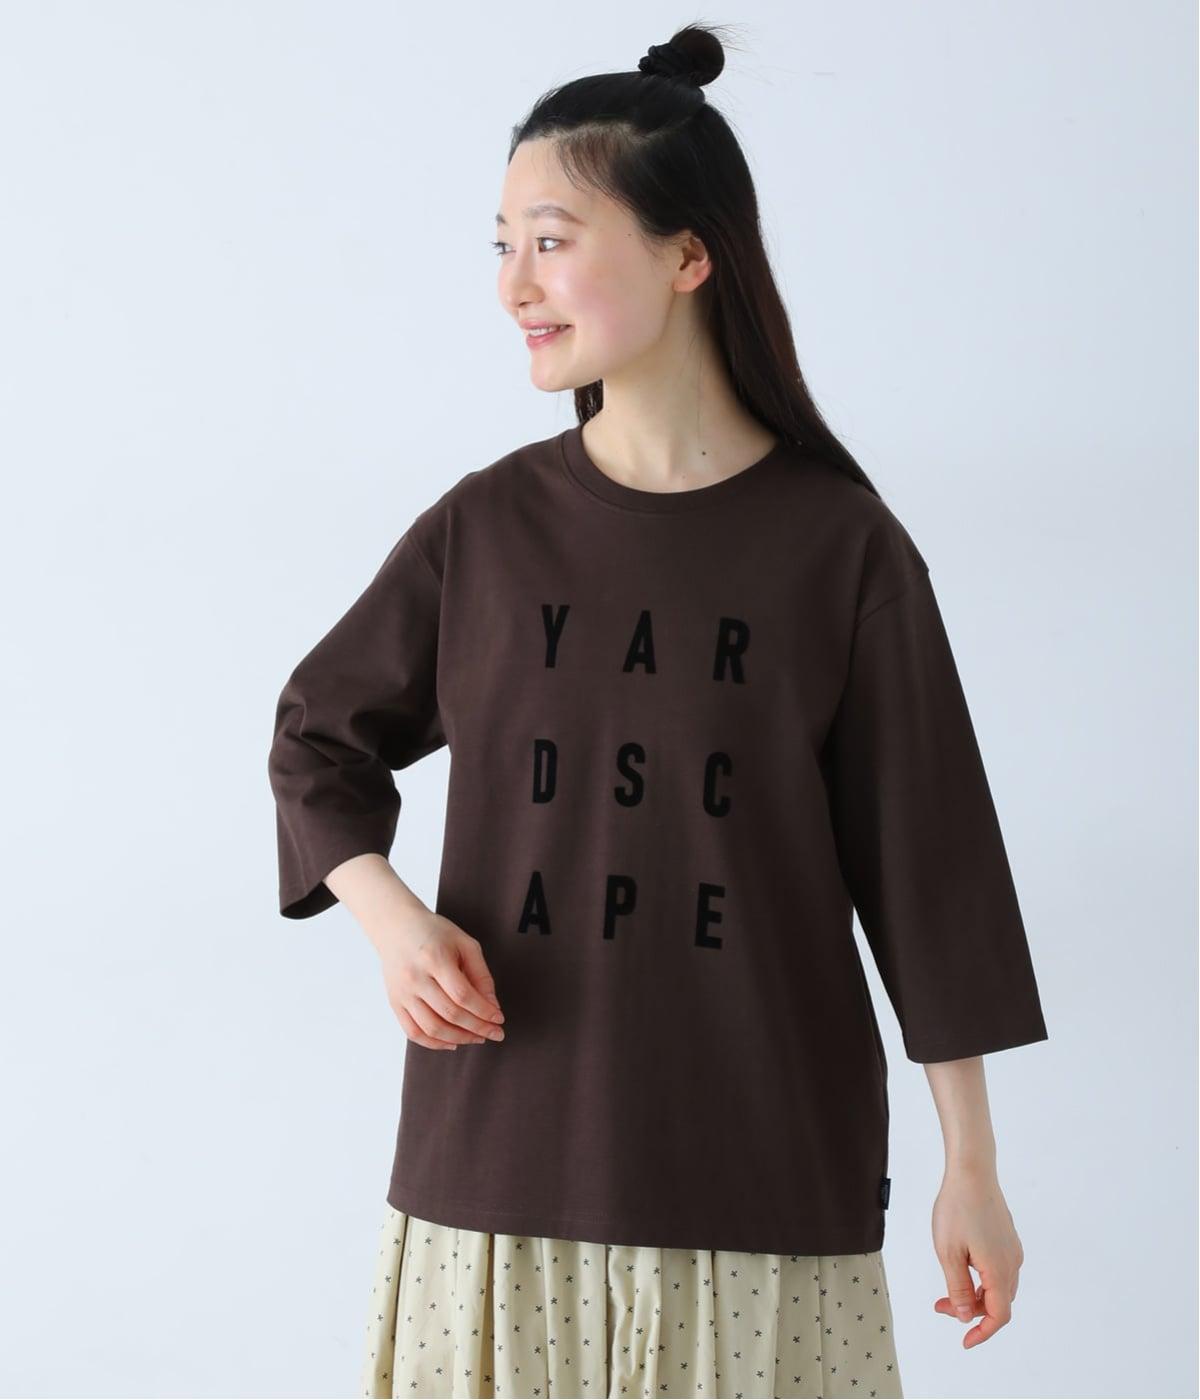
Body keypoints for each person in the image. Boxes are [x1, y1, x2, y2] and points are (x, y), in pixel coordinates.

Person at [266, 23, 1049, 1400]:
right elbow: (319, 736)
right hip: (497, 1178)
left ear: (690, 256)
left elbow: (932, 876)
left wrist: (970, 1168)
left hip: (763, 1189)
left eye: (551, 241)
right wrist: (391, 919)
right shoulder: (487, 532)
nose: (514, 284)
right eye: (501, 244)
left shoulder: (840, 552)